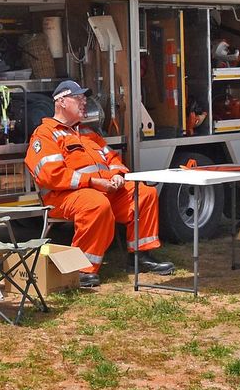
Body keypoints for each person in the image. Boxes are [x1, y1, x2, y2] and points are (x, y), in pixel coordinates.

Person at [24, 80, 174, 288]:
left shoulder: (88, 133)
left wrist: (117, 174)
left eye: (84, 97)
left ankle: (141, 256)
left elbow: (112, 158)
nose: (84, 101)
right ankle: (82, 268)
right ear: (61, 102)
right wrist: (93, 182)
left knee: (144, 193)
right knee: (95, 204)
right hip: (63, 197)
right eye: (78, 98)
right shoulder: (45, 134)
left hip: (102, 191)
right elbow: (51, 176)